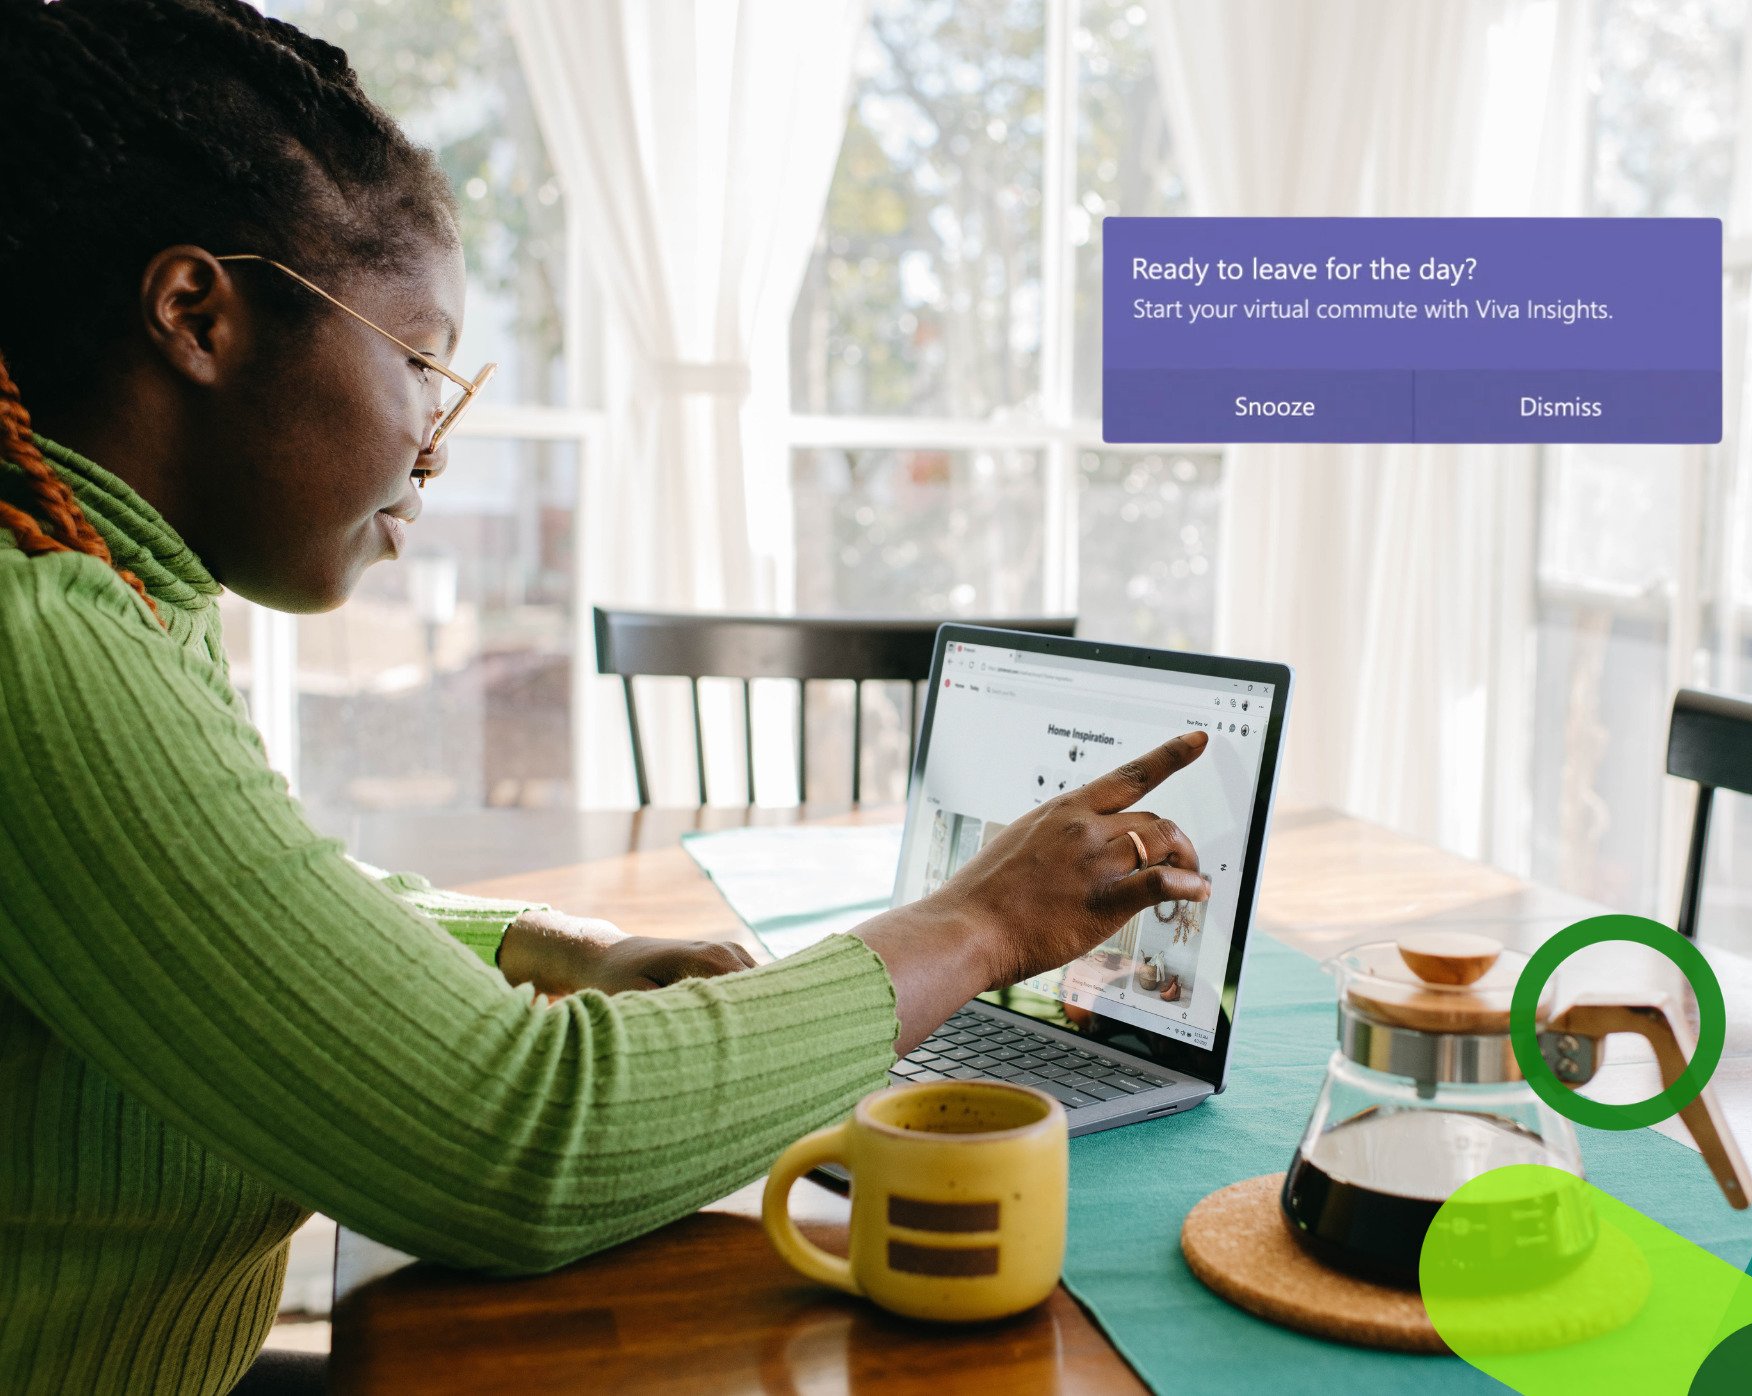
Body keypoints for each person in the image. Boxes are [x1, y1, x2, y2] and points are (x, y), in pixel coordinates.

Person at [0, 3, 1211, 1392]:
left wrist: (543, 939)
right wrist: (982, 922)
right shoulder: (45, 644)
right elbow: (518, 1144)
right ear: (195, 315)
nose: (435, 450)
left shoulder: (96, 572)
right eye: (417, 364)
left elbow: (252, 908)